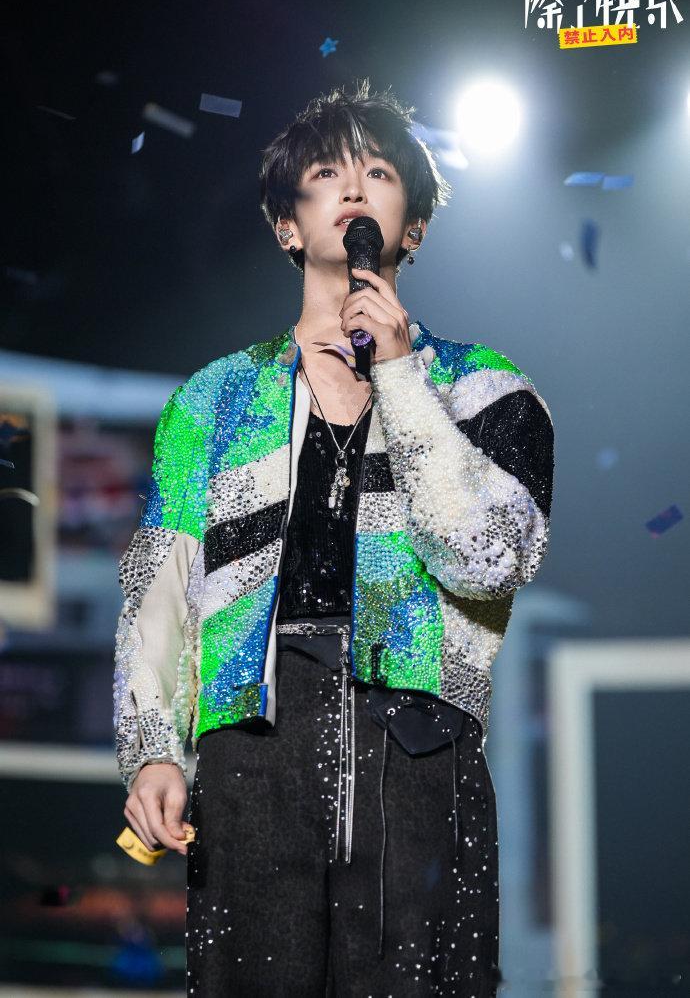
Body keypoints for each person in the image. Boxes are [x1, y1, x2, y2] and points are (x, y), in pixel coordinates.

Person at [113, 78, 555, 996]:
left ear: (413, 228)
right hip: (253, 745)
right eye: (326, 174)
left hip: (418, 747)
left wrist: (399, 374)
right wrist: (154, 746)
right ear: (287, 225)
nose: (353, 187)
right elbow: (160, 585)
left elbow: (489, 556)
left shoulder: (486, 389)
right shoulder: (211, 401)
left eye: (379, 172)